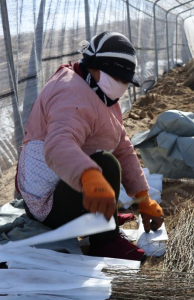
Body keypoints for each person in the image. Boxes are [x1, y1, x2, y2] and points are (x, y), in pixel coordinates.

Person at [16, 31, 164, 262]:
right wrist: (88, 177)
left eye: (126, 80)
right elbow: (58, 145)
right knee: (105, 164)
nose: (123, 85)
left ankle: (105, 218)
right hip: (46, 202)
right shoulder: (70, 91)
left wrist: (143, 198)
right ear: (95, 67)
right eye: (119, 78)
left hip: (64, 185)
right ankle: (106, 243)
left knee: (107, 160)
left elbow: (122, 145)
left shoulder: (100, 94)